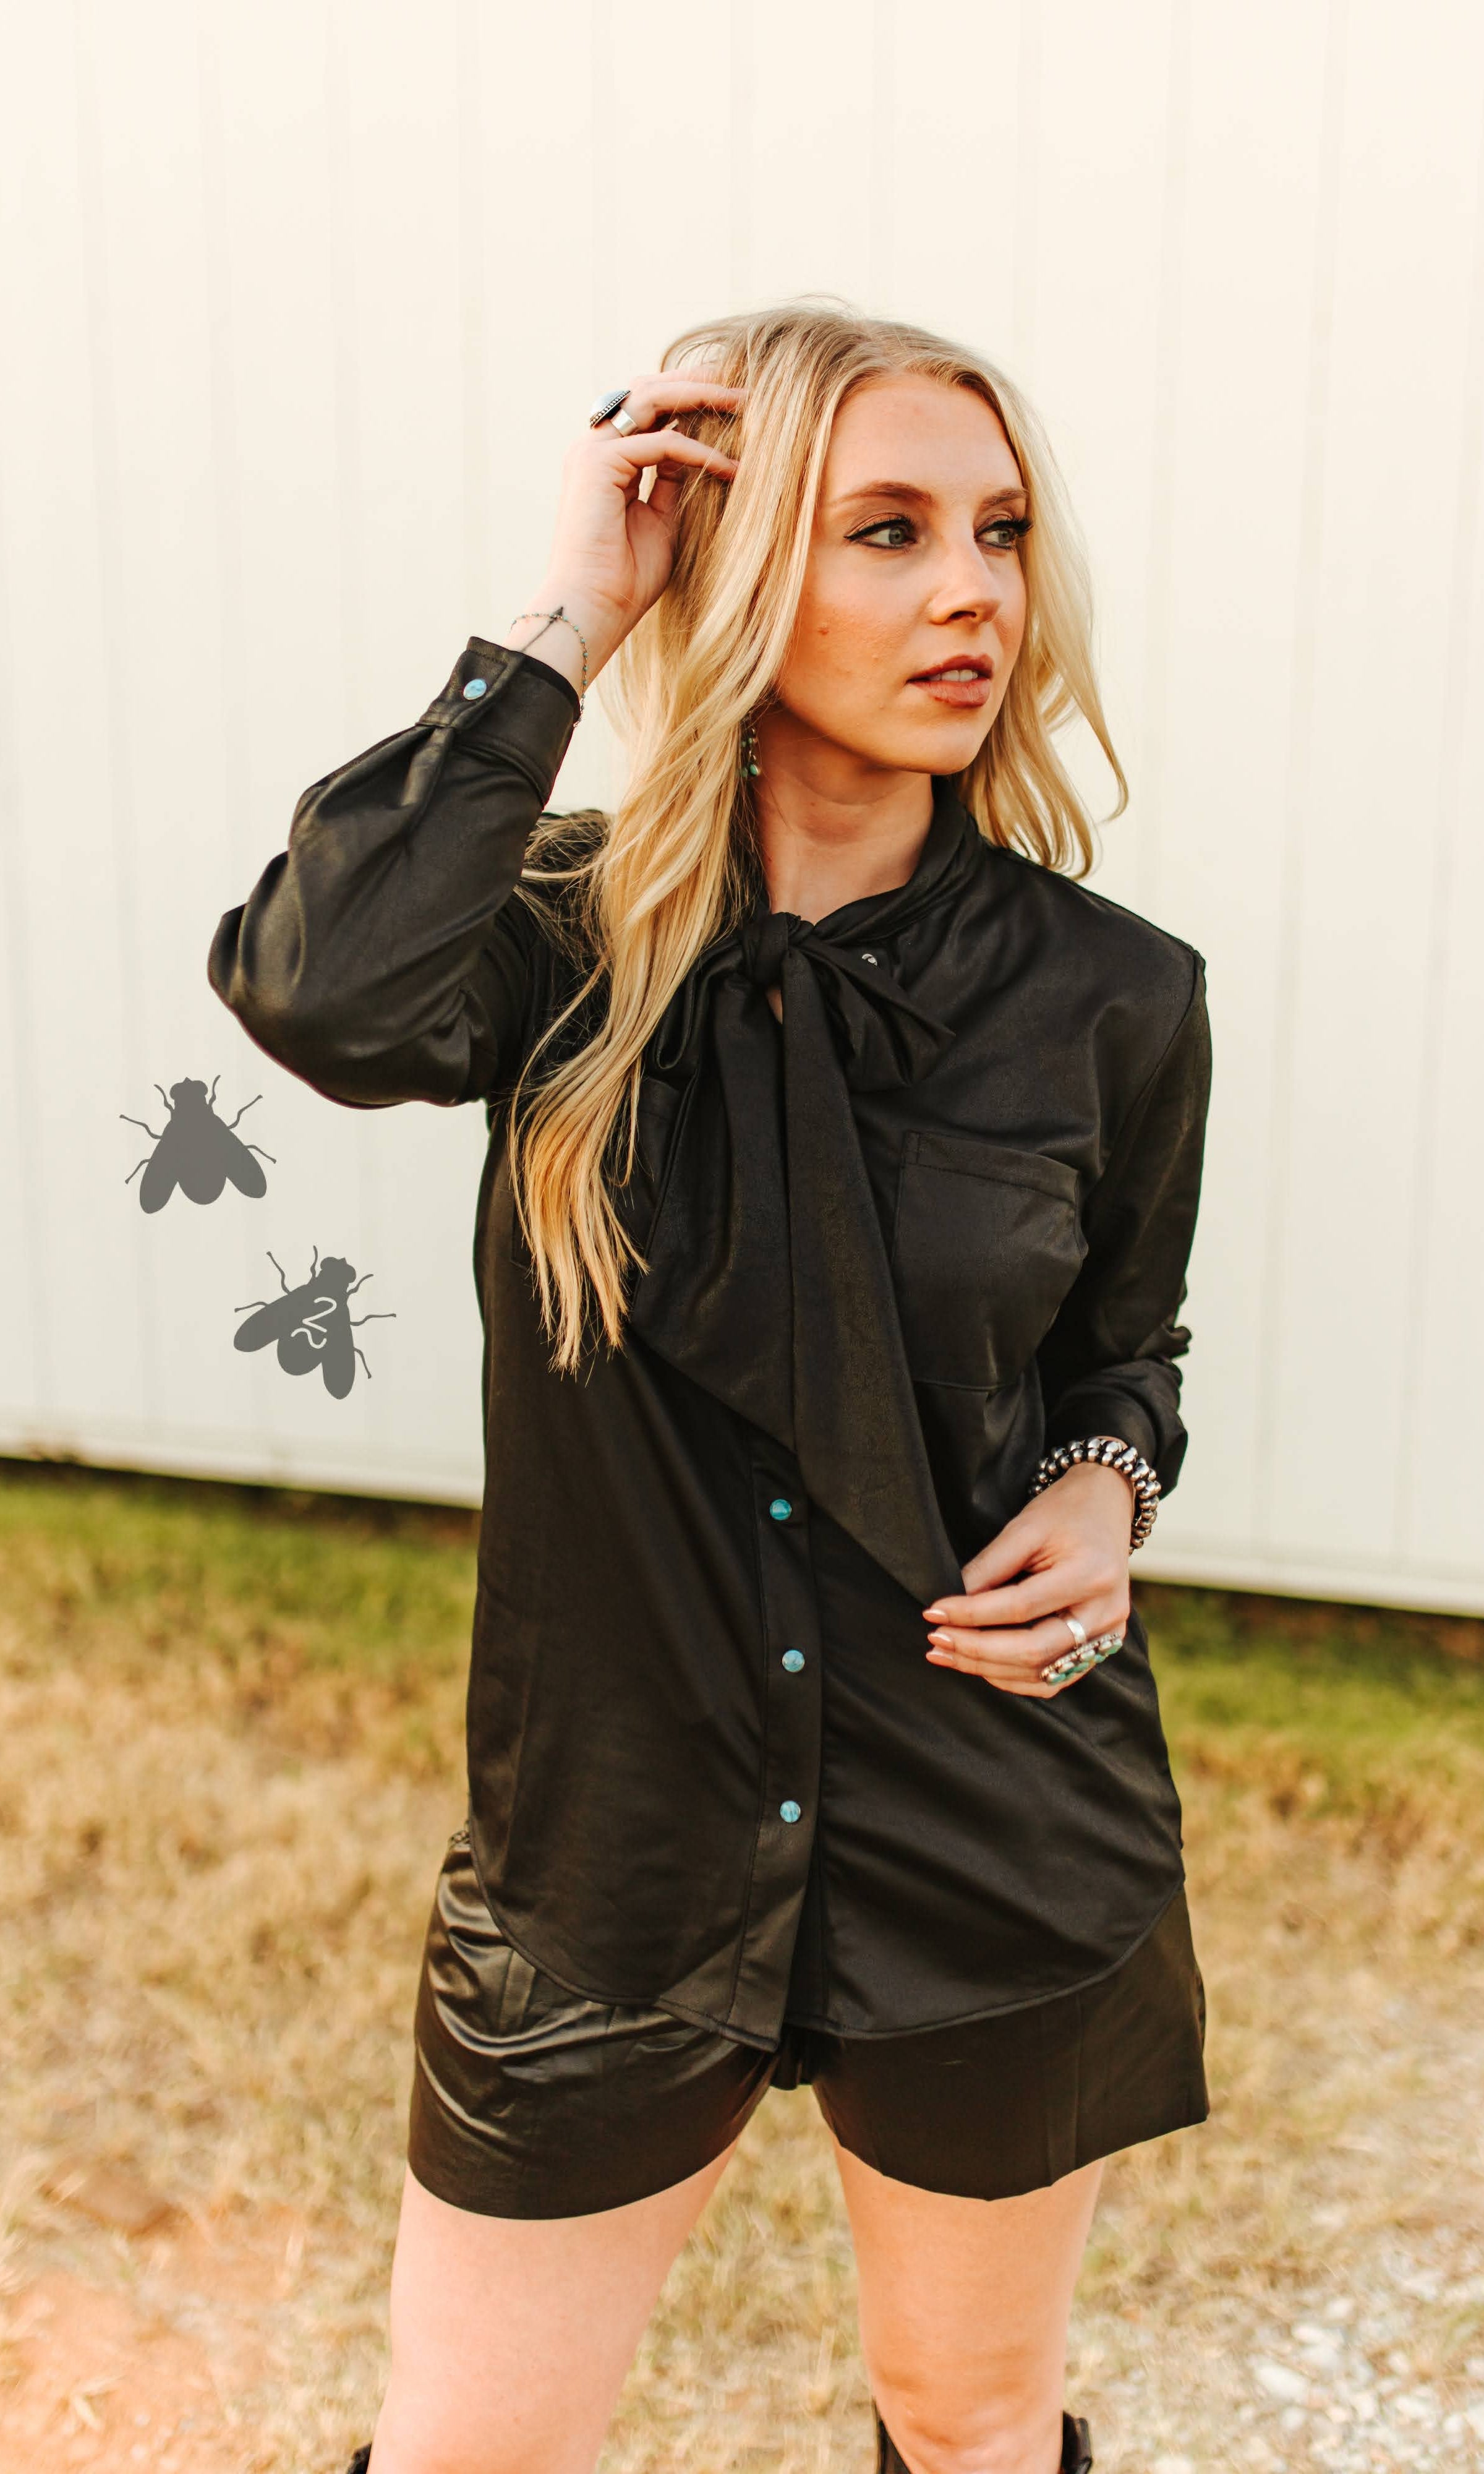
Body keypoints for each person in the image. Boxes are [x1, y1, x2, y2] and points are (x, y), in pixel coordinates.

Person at [209, 302, 1213, 2474]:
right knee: (473, 2442)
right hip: (612, 1847)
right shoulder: (548, 943)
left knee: (968, 2418)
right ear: (739, 562)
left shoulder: (1115, 1001)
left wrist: (1112, 1484)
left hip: (991, 1824)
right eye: (885, 531)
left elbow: (1122, 1348)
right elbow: (320, 984)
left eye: (1001, 530)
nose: (972, 591)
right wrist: (575, 607)